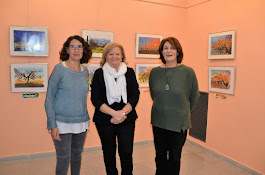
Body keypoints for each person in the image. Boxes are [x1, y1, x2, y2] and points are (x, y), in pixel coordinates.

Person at [149, 37, 200, 175]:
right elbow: (155, 95)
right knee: (159, 156)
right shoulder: (154, 72)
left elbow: (194, 95)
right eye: (165, 48)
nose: (169, 51)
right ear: (161, 52)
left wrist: (183, 112)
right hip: (158, 121)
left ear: (178, 51)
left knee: (174, 158)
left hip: (179, 123)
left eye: (172, 48)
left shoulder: (188, 72)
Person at [45, 35, 92, 175]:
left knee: (77, 158)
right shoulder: (59, 69)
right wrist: (52, 124)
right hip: (61, 123)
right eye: (73, 46)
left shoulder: (85, 71)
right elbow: (49, 99)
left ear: (84, 50)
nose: (76, 50)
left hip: (81, 123)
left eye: (79, 47)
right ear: (67, 49)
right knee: (63, 160)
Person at [91, 42, 140, 175]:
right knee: (109, 152)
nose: (114, 56)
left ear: (122, 55)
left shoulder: (129, 72)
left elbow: (135, 95)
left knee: (126, 152)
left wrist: (122, 113)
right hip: (104, 118)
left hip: (127, 117)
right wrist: (114, 114)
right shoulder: (99, 73)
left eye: (117, 53)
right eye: (111, 54)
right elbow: (95, 99)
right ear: (105, 56)